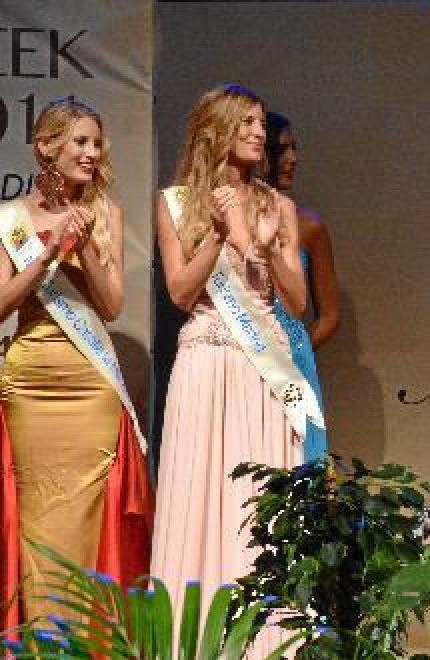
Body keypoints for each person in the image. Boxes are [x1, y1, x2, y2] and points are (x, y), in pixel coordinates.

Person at [151, 84, 321, 657]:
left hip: (265, 369)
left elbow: (297, 303)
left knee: (261, 508)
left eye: (258, 123)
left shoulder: (281, 206)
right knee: (201, 498)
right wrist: (220, 234)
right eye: (245, 122)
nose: (257, 131)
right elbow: (179, 291)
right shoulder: (176, 202)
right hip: (205, 363)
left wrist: (271, 250)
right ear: (215, 129)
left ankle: (272, 645)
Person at [0, 97, 152, 625]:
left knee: (87, 518)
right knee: (37, 516)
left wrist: (85, 248)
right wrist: (46, 254)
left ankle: (82, 637)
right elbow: (0, 305)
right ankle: (38, 634)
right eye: (80, 141)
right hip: (30, 384)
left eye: (96, 142)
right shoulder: (12, 219)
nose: (92, 152)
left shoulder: (105, 213)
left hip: (89, 384)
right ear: (46, 146)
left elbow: (110, 306)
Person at [262, 111, 341, 460]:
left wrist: (296, 351)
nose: (293, 159)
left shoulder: (308, 227)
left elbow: (329, 317)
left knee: (297, 458)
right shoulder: (224, 217)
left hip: (291, 364)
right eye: (282, 150)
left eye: (295, 148)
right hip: (241, 353)